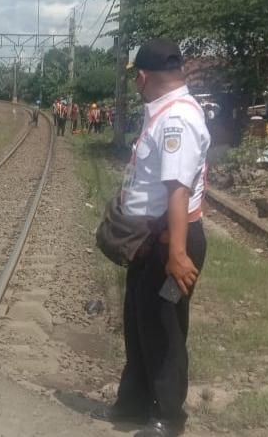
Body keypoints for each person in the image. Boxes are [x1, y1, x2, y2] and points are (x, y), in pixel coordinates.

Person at [109, 39, 209, 437]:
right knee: (139, 323)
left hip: (169, 242)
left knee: (164, 330)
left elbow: (178, 190)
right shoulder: (166, 112)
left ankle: (169, 419)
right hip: (149, 243)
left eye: (136, 76)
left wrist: (177, 253)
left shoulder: (176, 120)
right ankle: (133, 404)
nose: (136, 82)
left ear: (145, 77)